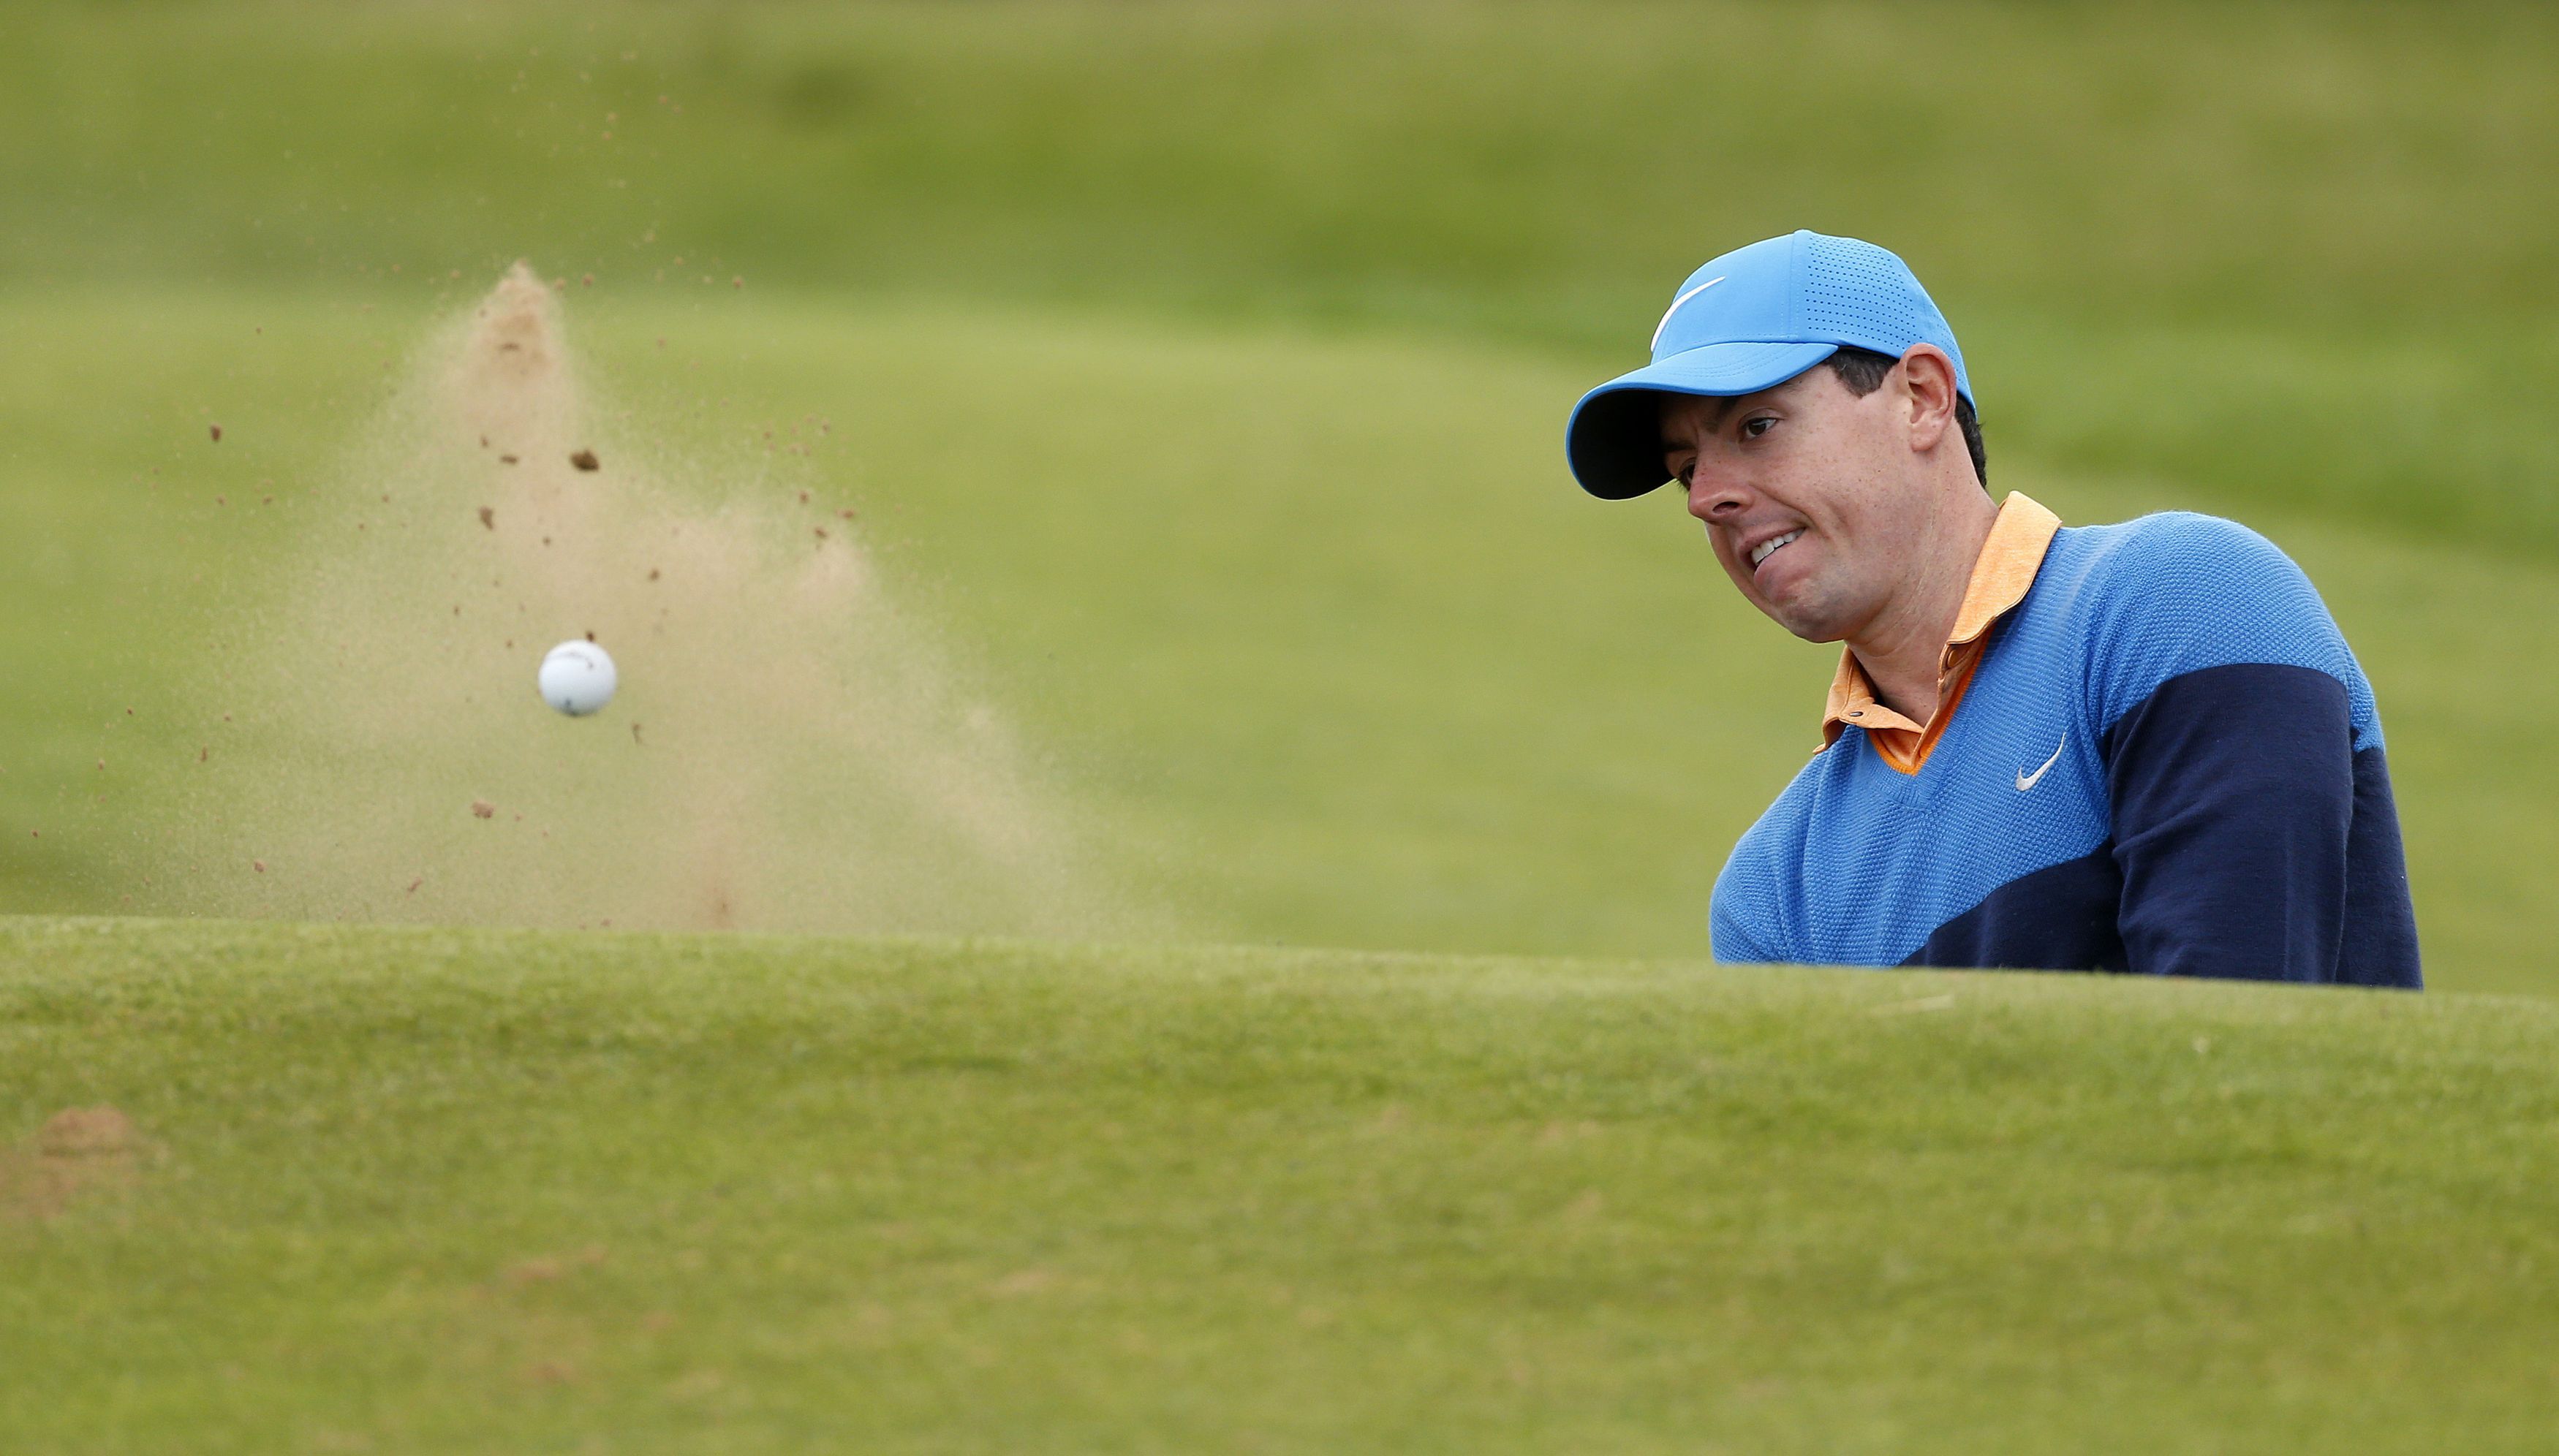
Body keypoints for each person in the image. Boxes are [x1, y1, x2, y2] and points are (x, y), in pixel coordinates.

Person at [1562, 230, 2419, 985]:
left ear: (1922, 397)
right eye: (1684, 470)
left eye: (1755, 427)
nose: (1704, 498)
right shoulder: (1773, 897)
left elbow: (2230, 1063)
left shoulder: (2181, 600)